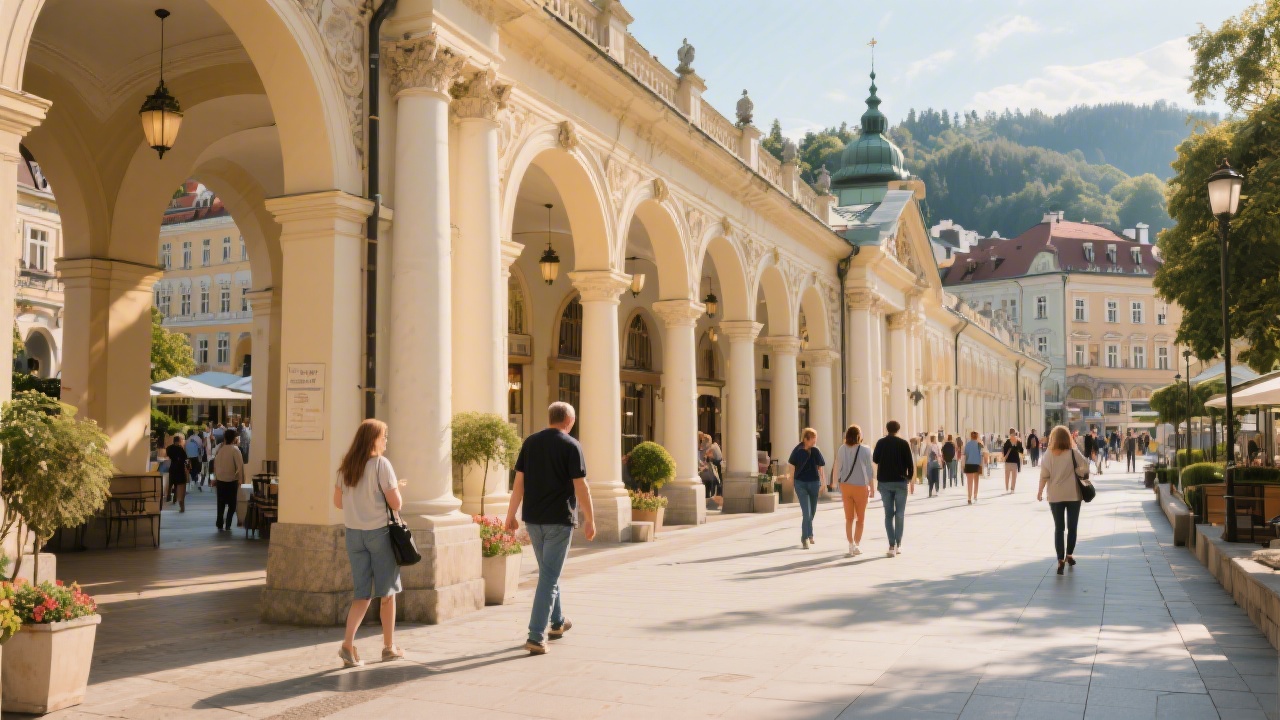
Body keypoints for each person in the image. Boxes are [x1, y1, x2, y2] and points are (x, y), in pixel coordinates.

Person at [505, 402, 596, 655]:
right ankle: (536, 635)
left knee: (548, 572)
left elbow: (518, 484)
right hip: (559, 520)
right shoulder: (571, 445)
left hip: (533, 520)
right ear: (570, 420)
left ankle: (557, 622)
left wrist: (511, 516)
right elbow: (581, 487)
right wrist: (590, 519)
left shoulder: (530, 442)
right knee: (548, 577)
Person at [333, 418, 404, 667]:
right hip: (379, 533)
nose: (386, 440)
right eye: (384, 436)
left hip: (354, 534)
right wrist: (395, 489)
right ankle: (388, 647)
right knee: (387, 592)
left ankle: (347, 645)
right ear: (374, 439)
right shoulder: (381, 465)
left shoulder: (346, 467)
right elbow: (396, 504)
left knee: (362, 594)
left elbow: (338, 502)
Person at [1037, 425, 1089, 575]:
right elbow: (1085, 466)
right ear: (1068, 438)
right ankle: (1069, 555)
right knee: (1072, 527)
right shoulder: (1072, 452)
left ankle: (1060, 560)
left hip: (1055, 496)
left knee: (1059, 528)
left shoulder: (1048, 454)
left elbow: (1044, 475)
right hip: (1073, 495)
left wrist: (1040, 491)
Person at [831, 424, 874, 557]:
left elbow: (837, 465)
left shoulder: (841, 449)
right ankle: (857, 544)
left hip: (845, 486)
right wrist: (872, 487)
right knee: (860, 518)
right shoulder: (866, 450)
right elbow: (869, 470)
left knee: (849, 518)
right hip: (860, 486)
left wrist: (834, 482)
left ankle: (850, 544)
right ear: (859, 436)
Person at [872, 420, 913, 557]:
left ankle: (891, 544)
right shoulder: (903, 444)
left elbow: (876, 459)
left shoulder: (880, 443)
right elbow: (910, 463)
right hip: (900, 481)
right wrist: (909, 477)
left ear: (886, 429)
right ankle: (899, 543)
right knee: (900, 514)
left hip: (884, 482)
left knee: (888, 514)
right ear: (898, 429)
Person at [788, 428, 827, 549]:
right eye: (813, 440)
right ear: (806, 439)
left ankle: (810, 533)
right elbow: (791, 466)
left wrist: (823, 482)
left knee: (812, 512)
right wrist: (792, 481)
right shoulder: (797, 450)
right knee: (807, 512)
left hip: (814, 483)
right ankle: (805, 538)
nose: (814, 443)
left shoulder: (815, 450)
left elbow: (820, 467)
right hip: (801, 484)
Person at [213, 428, 245, 531]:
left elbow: (215, 465)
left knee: (220, 503)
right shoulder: (235, 450)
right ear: (234, 438)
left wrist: (215, 477)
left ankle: (219, 522)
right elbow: (240, 466)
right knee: (232, 505)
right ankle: (228, 523)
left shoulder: (220, 450)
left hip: (220, 480)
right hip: (231, 480)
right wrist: (241, 479)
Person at [165, 434, 189, 512]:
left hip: (172, 467)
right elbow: (185, 457)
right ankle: (177, 501)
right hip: (180, 469)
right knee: (178, 485)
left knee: (171, 482)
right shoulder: (180, 449)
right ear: (179, 441)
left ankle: (169, 496)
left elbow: (168, 455)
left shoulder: (169, 448)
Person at [963, 430, 984, 504]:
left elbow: (965, 454)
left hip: (969, 464)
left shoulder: (967, 444)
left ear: (971, 436)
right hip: (976, 464)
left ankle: (969, 497)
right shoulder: (979, 445)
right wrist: (981, 465)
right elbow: (981, 455)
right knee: (976, 481)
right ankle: (975, 495)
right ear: (977, 436)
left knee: (969, 482)